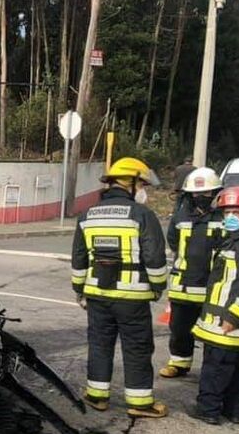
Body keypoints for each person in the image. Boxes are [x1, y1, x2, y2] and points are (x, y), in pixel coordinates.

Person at [71, 157, 169, 418]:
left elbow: (79, 258)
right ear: (131, 183)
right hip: (132, 297)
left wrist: (80, 289)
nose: (143, 189)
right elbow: (155, 257)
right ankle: (139, 402)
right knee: (136, 347)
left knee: (100, 344)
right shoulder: (142, 215)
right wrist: (158, 285)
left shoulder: (87, 215)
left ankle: (97, 396)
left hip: (97, 295)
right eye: (141, 184)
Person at [189, 186, 239, 425]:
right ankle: (234, 410)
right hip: (229, 321)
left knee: (216, 367)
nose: (230, 216)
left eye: (237, 211)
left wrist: (234, 316)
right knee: (236, 368)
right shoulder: (237, 238)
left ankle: (208, 409)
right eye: (227, 211)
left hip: (228, 321)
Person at [159, 167, 224, 378]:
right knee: (179, 328)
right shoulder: (181, 215)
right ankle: (179, 363)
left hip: (212, 286)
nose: (201, 197)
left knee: (211, 332)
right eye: (196, 193)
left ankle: (211, 370)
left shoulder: (224, 217)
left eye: (206, 193)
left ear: (215, 193)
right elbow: (173, 241)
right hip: (183, 285)